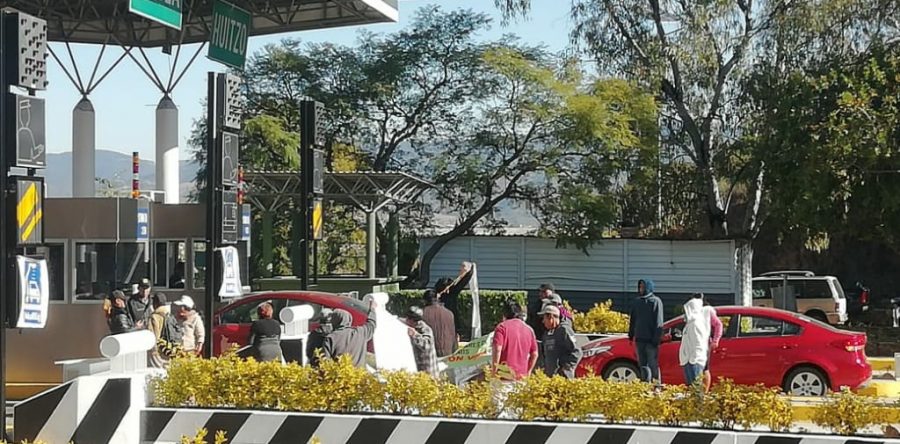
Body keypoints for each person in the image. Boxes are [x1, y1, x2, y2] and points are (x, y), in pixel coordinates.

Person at [321, 299, 377, 368]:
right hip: (359, 375)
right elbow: (372, 324)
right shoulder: (360, 333)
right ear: (349, 319)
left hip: (340, 377)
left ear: (334, 321)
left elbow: (324, 362)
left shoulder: (330, 338)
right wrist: (372, 309)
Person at [491, 299, 539, 380]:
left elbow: (497, 349)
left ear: (504, 315)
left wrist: (494, 371)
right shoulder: (529, 329)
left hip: (504, 376)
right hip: (521, 378)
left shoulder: (502, 327)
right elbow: (535, 354)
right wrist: (529, 371)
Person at [628, 278, 664, 385]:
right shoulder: (637, 302)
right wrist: (631, 335)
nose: (641, 289)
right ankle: (645, 385)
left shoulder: (656, 301)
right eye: (640, 287)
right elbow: (633, 320)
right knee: (642, 365)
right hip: (639, 339)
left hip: (651, 340)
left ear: (649, 287)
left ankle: (657, 386)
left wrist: (656, 339)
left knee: (653, 364)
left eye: (643, 287)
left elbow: (659, 322)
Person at [539, 304, 581, 379]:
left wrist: (566, 368)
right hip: (550, 377)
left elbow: (577, 352)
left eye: (544, 318)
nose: (543, 321)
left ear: (551, 317)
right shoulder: (547, 334)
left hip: (563, 378)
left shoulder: (564, 330)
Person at [680, 294, 713, 387]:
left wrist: (694, 360)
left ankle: (699, 401)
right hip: (687, 360)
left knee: (696, 387)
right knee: (691, 387)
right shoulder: (689, 324)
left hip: (694, 360)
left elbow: (699, 344)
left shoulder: (696, 324)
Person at [434, 261, 474, 330]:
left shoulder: (452, 291)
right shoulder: (438, 296)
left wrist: (469, 271)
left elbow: (462, 282)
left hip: (450, 317)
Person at [148, 293, 183, 368]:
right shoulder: (169, 315)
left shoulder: (154, 317)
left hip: (160, 351)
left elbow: (154, 337)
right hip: (170, 348)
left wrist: (153, 352)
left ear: (156, 303)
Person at [421, 289, 457, 357]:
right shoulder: (449, 313)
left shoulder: (423, 313)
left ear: (424, 301)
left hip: (431, 353)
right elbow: (453, 334)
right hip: (448, 351)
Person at [405, 306, 439, 378]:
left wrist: (415, 335)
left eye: (408, 319)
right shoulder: (411, 326)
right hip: (418, 369)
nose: (406, 320)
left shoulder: (425, 329)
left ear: (413, 320)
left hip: (428, 370)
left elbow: (426, 345)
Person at [703, 300, 723, 393]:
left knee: (704, 368)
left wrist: (715, 341)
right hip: (697, 342)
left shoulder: (707, 311)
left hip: (704, 343)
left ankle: (705, 391)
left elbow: (718, 324)